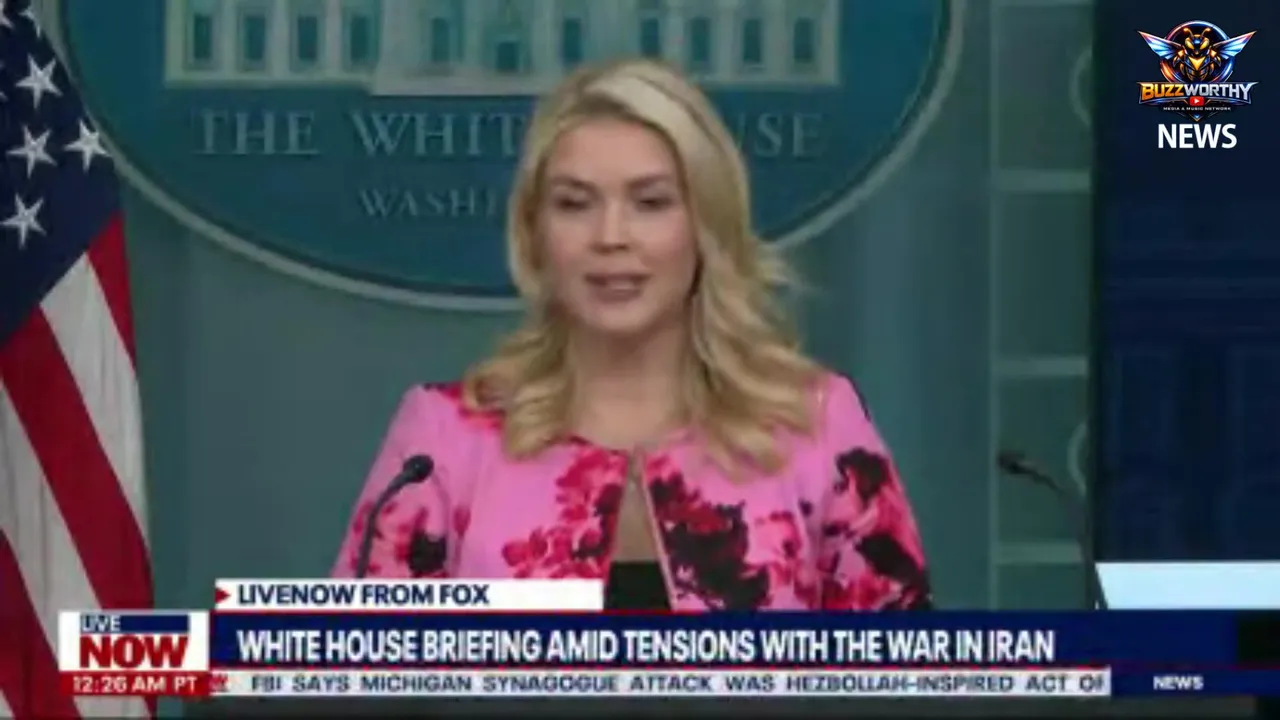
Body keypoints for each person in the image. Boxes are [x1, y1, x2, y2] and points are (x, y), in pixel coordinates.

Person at [331, 58, 932, 612]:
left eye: (650, 202)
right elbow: (349, 669)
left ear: (705, 225)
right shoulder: (443, 441)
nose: (611, 236)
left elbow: (903, 669)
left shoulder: (816, 427)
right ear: (535, 233)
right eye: (575, 204)